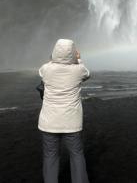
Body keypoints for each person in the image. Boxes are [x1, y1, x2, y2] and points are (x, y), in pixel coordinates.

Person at [38, 39, 91, 183]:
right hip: (72, 123)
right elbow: (87, 73)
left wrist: (53, 59)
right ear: (73, 53)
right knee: (77, 155)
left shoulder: (46, 69)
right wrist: (78, 59)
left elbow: (45, 69)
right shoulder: (79, 70)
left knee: (50, 156)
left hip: (48, 122)